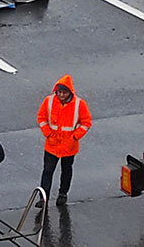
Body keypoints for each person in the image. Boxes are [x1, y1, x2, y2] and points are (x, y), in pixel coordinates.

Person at [36, 75, 91, 208]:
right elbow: (41, 118)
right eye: (59, 92)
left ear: (69, 92)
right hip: (52, 144)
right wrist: (48, 134)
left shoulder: (79, 104)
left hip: (69, 146)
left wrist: (74, 137)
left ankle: (63, 194)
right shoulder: (49, 101)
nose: (61, 95)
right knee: (47, 171)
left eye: (64, 92)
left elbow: (86, 123)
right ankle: (44, 198)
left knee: (66, 171)